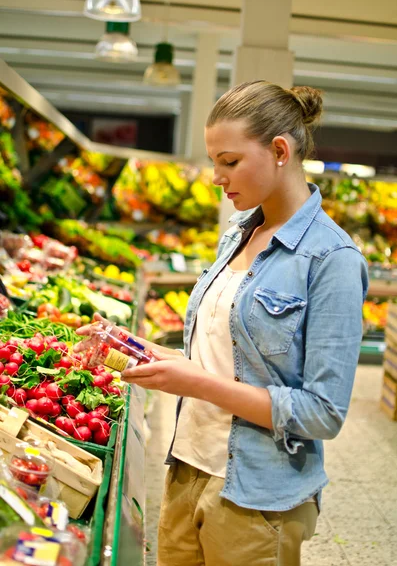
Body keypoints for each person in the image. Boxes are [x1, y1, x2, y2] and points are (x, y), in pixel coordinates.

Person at [76, 81, 368, 566]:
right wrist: (132, 345)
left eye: (229, 161)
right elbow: (216, 361)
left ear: (280, 151)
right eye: (215, 161)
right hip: (188, 471)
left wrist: (201, 385)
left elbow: (322, 413)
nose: (216, 176)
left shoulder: (331, 258)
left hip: (255, 496)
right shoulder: (236, 236)